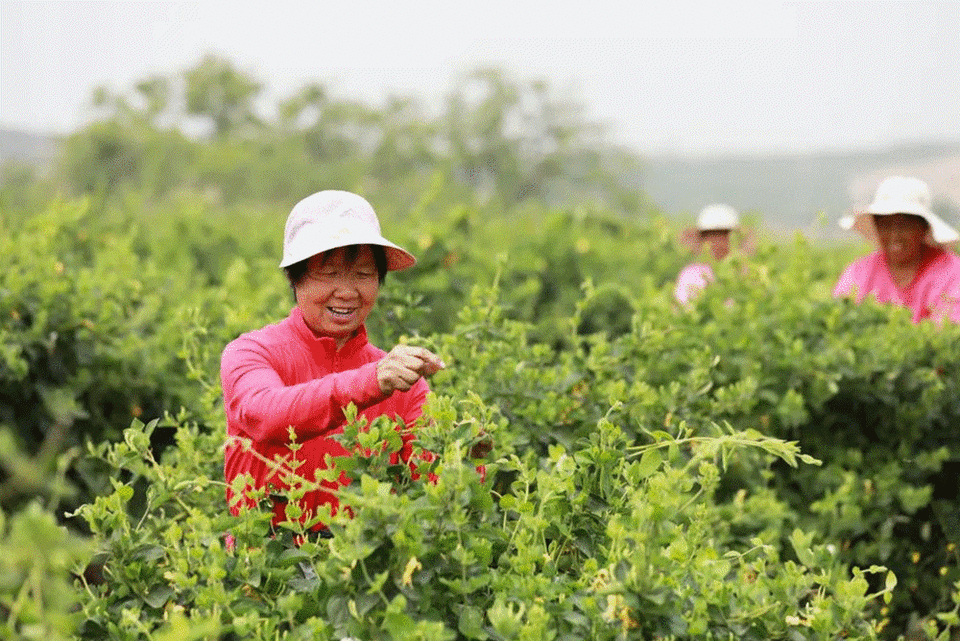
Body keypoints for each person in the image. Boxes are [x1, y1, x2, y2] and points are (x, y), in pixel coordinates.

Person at [221, 190, 447, 536]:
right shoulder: (251, 352)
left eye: (362, 275)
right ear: (296, 279)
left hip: (361, 579)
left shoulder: (404, 382)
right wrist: (371, 382)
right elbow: (265, 414)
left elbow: (432, 492)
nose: (347, 291)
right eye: (329, 274)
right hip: (264, 580)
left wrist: (465, 457)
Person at [833, 175, 960, 324]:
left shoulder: (951, 273)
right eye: (885, 225)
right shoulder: (859, 273)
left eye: (904, 225)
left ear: (924, 227)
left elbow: (947, 333)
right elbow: (839, 321)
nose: (895, 235)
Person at [673, 203, 743, 305]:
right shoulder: (690, 274)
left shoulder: (743, 273)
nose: (717, 242)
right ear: (702, 239)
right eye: (711, 236)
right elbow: (681, 308)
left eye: (723, 235)